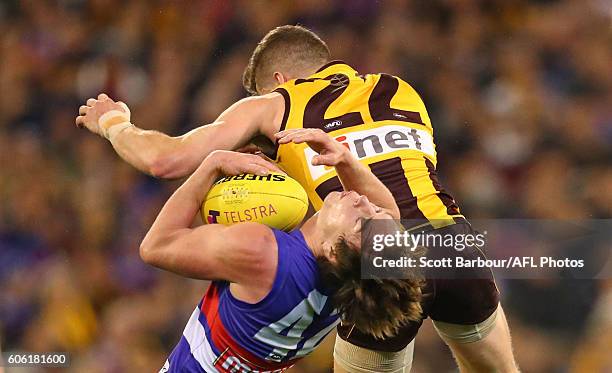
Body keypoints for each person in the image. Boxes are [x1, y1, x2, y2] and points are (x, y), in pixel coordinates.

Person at [77, 25, 518, 372]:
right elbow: (390, 184)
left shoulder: (274, 105)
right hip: (451, 247)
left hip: (368, 264)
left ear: (278, 80)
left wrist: (115, 123)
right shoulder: (399, 88)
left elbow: (165, 162)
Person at [142, 128, 423, 372]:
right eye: (374, 210)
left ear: (333, 251)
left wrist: (212, 164)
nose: (363, 200)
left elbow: (156, 245)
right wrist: (345, 159)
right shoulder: (351, 286)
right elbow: (390, 214)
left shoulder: (261, 252)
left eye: (363, 220)